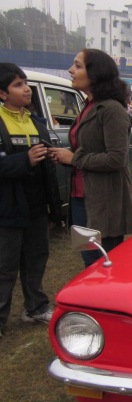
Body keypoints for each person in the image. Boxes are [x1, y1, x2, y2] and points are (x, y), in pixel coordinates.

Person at [48, 49, 132, 267]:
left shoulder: (112, 110)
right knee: (89, 258)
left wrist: (73, 159)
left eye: (78, 66)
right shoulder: (88, 106)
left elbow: (116, 159)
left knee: (101, 262)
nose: (71, 70)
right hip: (81, 196)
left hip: (103, 200)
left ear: (96, 73)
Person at [0, 63, 62, 333]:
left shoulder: (36, 120)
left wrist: (53, 208)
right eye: (17, 84)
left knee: (37, 258)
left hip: (36, 206)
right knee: (5, 266)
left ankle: (35, 307)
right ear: (3, 93)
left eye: (25, 82)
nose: (26, 88)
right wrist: (24, 160)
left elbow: (45, 167)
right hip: (7, 208)